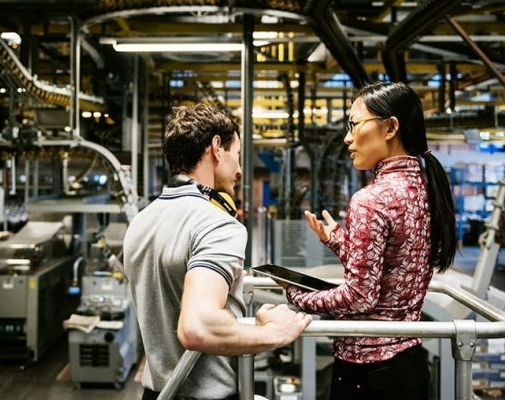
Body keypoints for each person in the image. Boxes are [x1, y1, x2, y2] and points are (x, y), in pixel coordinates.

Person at [123, 103, 312, 400]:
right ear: (216, 148)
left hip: (157, 392)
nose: (238, 170)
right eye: (237, 156)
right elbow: (197, 326)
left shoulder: (141, 222)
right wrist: (272, 334)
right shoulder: (218, 225)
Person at [284, 82, 457, 400]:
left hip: (367, 374)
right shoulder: (427, 189)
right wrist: (337, 240)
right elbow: (391, 270)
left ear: (391, 127)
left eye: (354, 125)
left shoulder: (372, 198)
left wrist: (299, 298)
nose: (348, 138)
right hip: (408, 367)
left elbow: (360, 297)